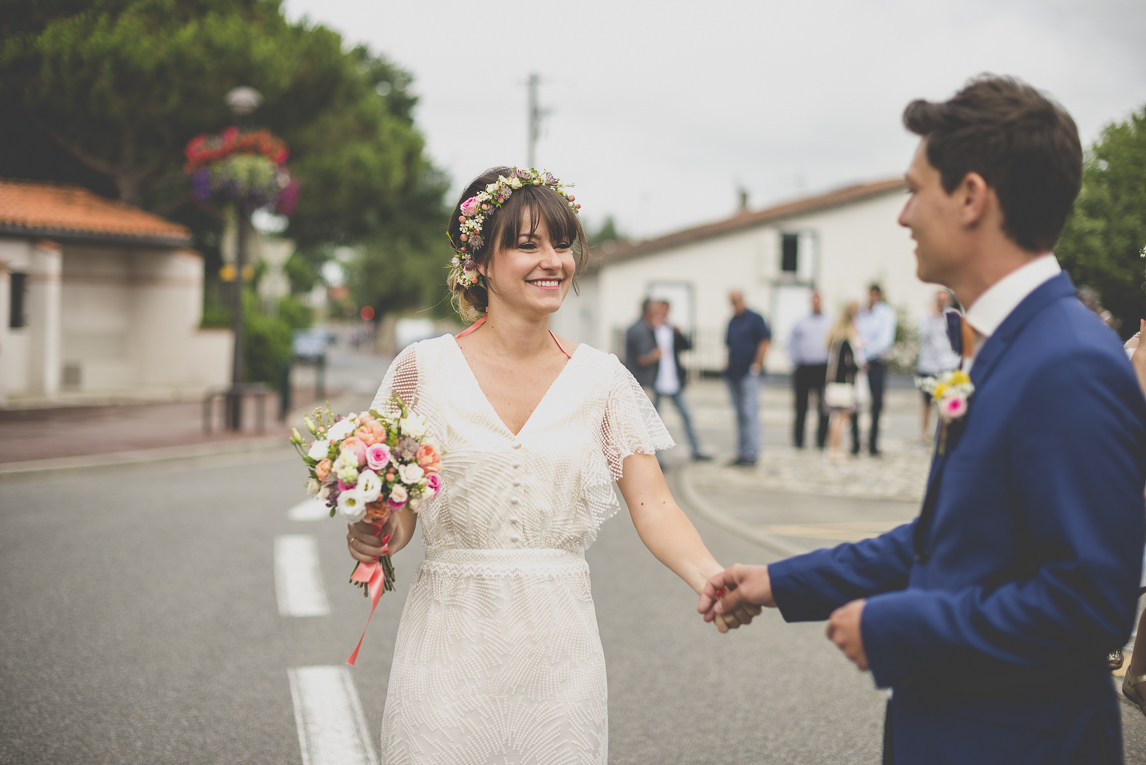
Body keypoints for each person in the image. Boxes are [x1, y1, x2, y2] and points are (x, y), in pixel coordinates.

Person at [699, 76, 1146, 764]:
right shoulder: (1008, 345)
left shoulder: (1070, 361)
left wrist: (899, 623)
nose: (903, 215)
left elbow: (1091, 606)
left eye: (915, 189)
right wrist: (778, 581)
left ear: (971, 196)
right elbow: (938, 543)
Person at [346, 167, 760, 765]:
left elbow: (655, 504)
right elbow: (401, 512)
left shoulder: (604, 379)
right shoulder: (422, 371)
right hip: (448, 641)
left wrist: (710, 578)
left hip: (559, 647)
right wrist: (376, 531)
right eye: (527, 244)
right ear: (480, 262)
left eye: (562, 244)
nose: (553, 261)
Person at [650, 300, 712, 461]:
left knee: (686, 415)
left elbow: (687, 346)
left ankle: (696, 449)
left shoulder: (671, 329)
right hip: (655, 381)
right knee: (654, 420)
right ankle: (657, 456)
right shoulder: (649, 329)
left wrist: (679, 331)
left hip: (673, 380)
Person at [724, 290, 771, 466]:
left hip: (749, 374)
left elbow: (765, 341)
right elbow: (728, 346)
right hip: (733, 374)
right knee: (739, 415)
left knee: (750, 413)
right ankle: (742, 451)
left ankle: (751, 453)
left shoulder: (755, 318)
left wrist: (756, 366)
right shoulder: (732, 322)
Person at [852, 283, 896, 456]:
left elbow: (885, 341)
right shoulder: (860, 312)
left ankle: (873, 443)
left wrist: (867, 353)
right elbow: (855, 335)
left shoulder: (886, 313)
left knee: (876, 404)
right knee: (855, 401)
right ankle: (855, 443)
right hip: (859, 361)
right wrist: (861, 356)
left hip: (876, 362)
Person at [915, 288, 960, 444]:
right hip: (928, 365)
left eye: (944, 299)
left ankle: (942, 434)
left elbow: (958, 339)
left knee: (945, 402)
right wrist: (932, 316)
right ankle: (923, 435)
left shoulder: (953, 316)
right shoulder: (926, 316)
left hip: (947, 364)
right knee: (926, 403)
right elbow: (922, 336)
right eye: (939, 299)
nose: (941, 302)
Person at [788, 291, 832, 449]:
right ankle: (798, 441)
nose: (816, 304)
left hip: (823, 367)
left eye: (818, 301)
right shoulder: (801, 322)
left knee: (824, 407)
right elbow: (791, 342)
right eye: (813, 301)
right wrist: (795, 361)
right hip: (804, 367)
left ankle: (821, 441)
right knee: (801, 406)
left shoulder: (830, 321)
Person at [823, 303, 862, 463]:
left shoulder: (836, 339)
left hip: (835, 383)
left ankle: (833, 448)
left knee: (836, 417)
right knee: (841, 417)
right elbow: (847, 366)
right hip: (843, 384)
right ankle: (835, 449)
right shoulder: (845, 341)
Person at [624, 298, 660, 389]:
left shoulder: (645, 328)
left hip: (642, 381)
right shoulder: (640, 331)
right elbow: (642, 359)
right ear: (649, 312)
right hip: (640, 382)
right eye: (656, 312)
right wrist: (656, 354)